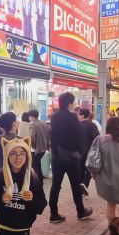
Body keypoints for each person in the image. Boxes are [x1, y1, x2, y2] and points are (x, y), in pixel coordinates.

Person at [49, 92, 93, 222]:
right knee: (75, 185)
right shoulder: (72, 117)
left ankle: (53, 213)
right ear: (69, 103)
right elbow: (79, 136)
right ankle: (80, 211)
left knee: (55, 185)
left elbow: (53, 136)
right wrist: (80, 151)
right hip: (71, 157)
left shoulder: (54, 116)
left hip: (57, 156)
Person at [0, 112, 20, 186]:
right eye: (16, 120)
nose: (18, 122)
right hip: (17, 172)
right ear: (13, 123)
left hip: (2, 172)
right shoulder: (20, 140)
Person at [78, 108, 99, 196]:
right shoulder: (92, 125)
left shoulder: (76, 125)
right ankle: (84, 184)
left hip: (78, 152)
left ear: (82, 116)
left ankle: (81, 187)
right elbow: (96, 138)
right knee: (89, 170)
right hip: (90, 152)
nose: (77, 116)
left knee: (80, 170)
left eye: (78, 115)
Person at [28, 109, 51, 185]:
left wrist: (33, 145)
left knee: (35, 166)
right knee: (38, 164)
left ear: (31, 116)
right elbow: (49, 135)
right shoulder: (44, 124)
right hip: (43, 148)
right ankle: (40, 181)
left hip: (35, 149)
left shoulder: (32, 125)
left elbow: (31, 137)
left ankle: (38, 181)